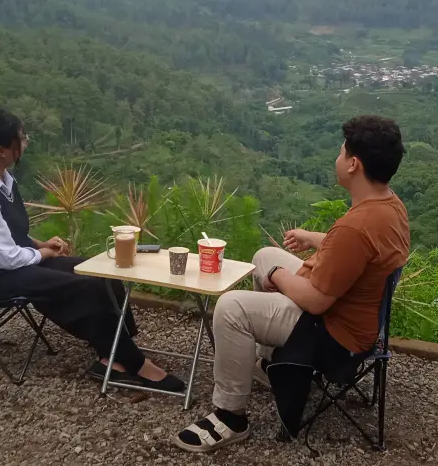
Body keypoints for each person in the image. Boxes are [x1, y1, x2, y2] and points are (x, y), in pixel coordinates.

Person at [173, 115, 409, 453]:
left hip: (334, 333)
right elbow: (357, 249)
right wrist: (313, 239)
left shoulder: (356, 226)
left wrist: (278, 278)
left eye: (342, 153)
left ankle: (230, 416)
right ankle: (271, 366)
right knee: (265, 255)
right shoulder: (390, 206)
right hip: (361, 313)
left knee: (230, 307)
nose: (338, 159)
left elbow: (315, 302)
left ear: (354, 164)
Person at [0, 108, 185, 392]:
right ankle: (135, 364)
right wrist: (45, 255)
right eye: (21, 139)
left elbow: (6, 235)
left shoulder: (2, 180)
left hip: (12, 265)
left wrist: (40, 245)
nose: (25, 143)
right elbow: (5, 256)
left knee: (102, 272)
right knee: (86, 287)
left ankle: (114, 354)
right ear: (1, 150)